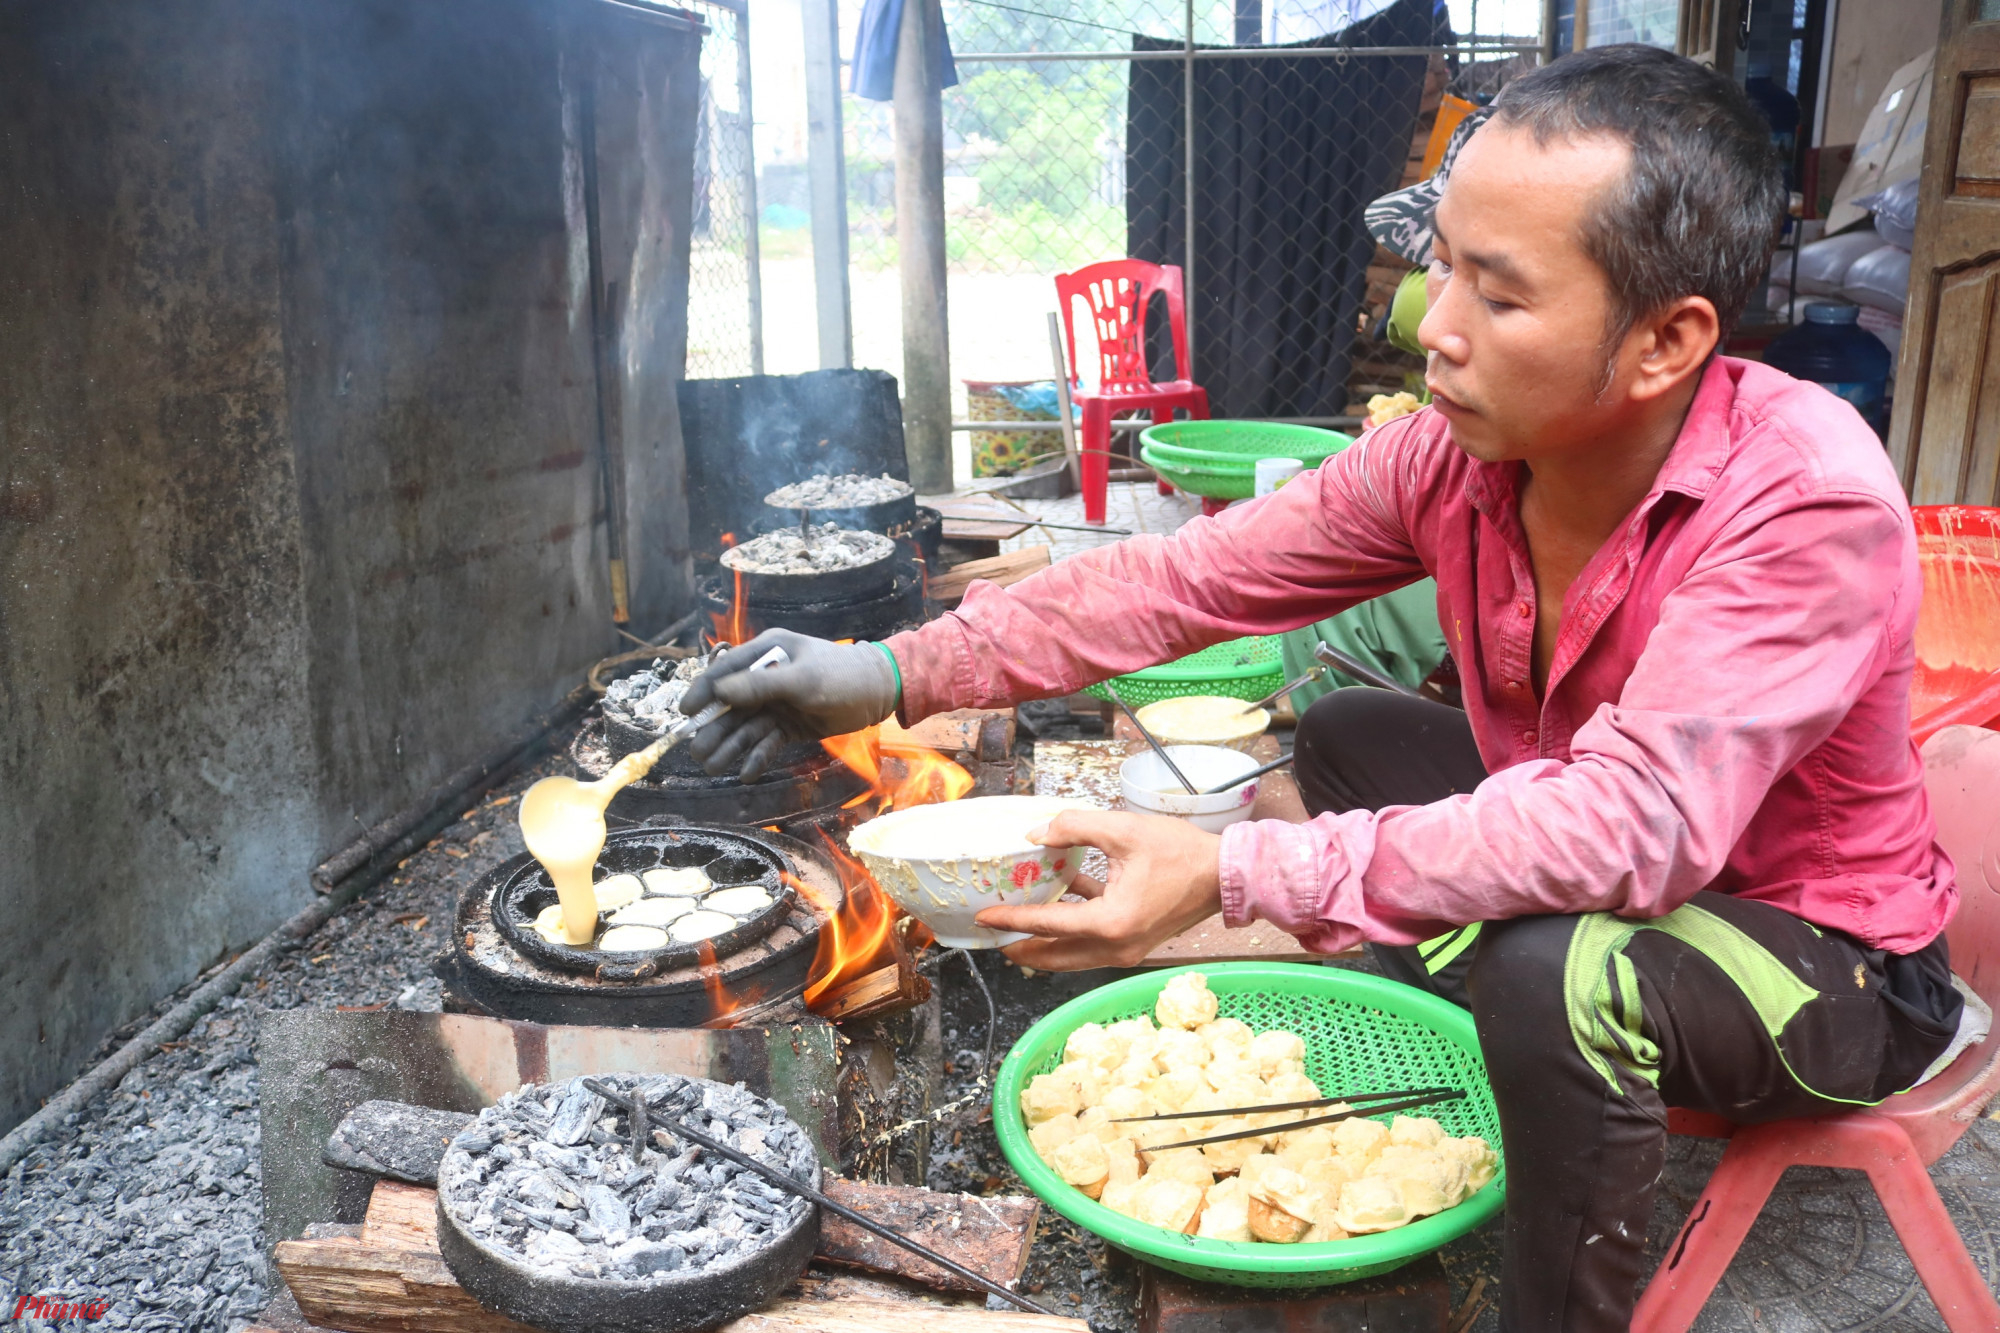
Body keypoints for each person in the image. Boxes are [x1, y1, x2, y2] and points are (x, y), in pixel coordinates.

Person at [681, 45, 1964, 1331]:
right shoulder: (1450, 458)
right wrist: (891, 668)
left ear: (1663, 341)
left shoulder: (1801, 499)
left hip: (1824, 962)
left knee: (1554, 971)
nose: (1432, 326)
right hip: (1636, 867)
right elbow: (1186, 581)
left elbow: (1631, 829)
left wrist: (1233, 872)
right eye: (1440, 264)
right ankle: (1473, 1084)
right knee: (1353, 733)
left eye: (1498, 296)